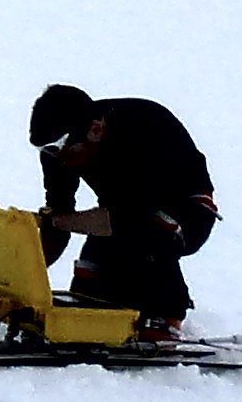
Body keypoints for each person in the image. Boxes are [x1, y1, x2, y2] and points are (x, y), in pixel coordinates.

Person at [27, 84, 218, 335]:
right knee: (93, 259)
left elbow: (131, 214)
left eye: (61, 145)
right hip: (124, 210)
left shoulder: (141, 129)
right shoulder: (57, 154)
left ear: (95, 130)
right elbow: (60, 216)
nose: (57, 156)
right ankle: (90, 316)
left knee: (147, 236)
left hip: (185, 209)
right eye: (46, 149)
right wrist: (30, 276)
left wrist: (59, 221)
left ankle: (165, 319)